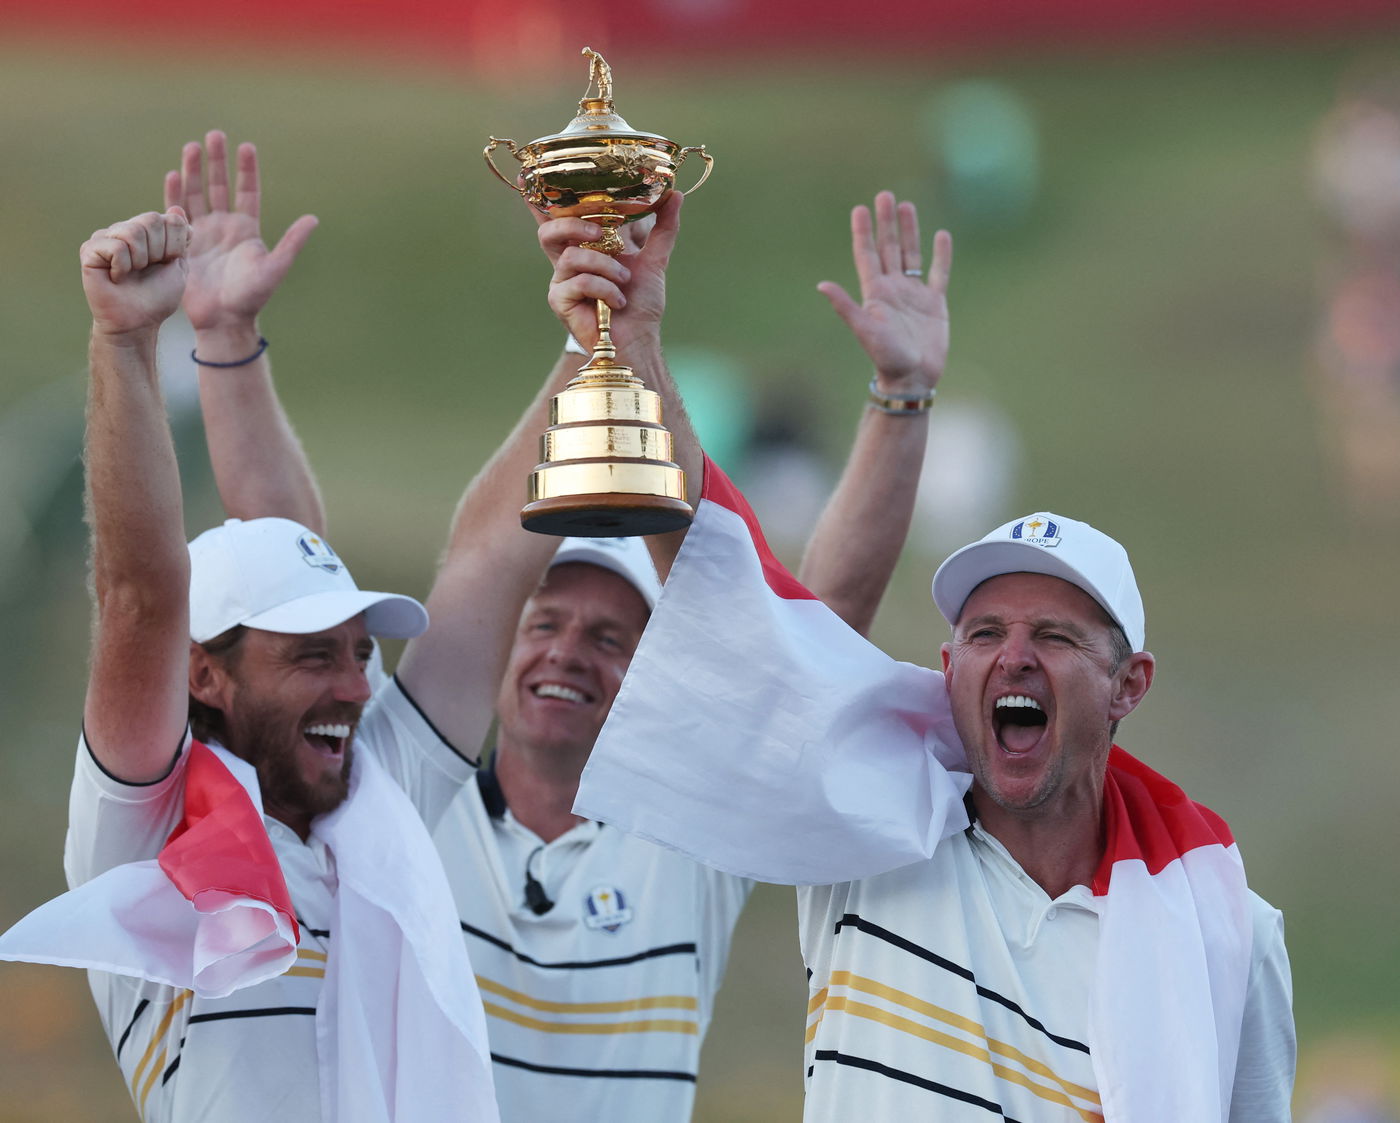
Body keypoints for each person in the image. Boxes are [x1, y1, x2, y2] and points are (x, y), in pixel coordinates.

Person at [161, 135, 957, 1120]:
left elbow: (812, 635)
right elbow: (295, 580)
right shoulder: (403, 796)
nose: (567, 648)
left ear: (656, 669)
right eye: (545, 618)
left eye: (611, 635)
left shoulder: (686, 828)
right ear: (502, 642)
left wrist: (901, 397)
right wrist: (227, 339)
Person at [549, 193, 1295, 1120]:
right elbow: (757, 602)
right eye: (984, 633)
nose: (1012, 657)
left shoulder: (1225, 929)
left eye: (1054, 635)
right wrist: (635, 343)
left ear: (1127, 685)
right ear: (948, 667)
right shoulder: (870, 819)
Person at [0, 130, 579, 1121]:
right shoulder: (146, 832)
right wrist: (125, 343)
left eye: (360, 651)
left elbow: (490, 555)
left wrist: (594, 332)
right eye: (313, 656)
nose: (357, 684)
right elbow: (140, 594)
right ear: (204, 676)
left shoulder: (379, 784)